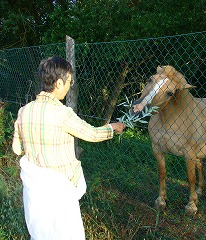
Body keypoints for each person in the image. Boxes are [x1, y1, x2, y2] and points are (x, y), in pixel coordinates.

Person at [12, 55, 126, 240]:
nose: (69, 86)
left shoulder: (23, 110)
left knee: (41, 232)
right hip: (60, 190)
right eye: (69, 82)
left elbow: (17, 149)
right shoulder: (63, 113)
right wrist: (112, 128)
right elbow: (92, 134)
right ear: (58, 83)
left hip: (34, 188)